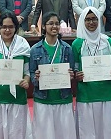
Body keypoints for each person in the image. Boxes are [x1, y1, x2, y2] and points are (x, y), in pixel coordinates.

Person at [0, 12, 32, 139]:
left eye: (11, 27)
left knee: (17, 135)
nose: (7, 30)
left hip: (17, 99)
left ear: (16, 28)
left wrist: (26, 81)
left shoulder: (23, 45)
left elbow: (27, 72)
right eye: (4, 27)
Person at [29, 11, 76, 139]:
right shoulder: (35, 49)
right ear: (44, 26)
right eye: (51, 23)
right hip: (43, 100)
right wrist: (36, 78)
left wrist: (71, 75)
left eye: (57, 23)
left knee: (65, 135)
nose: (54, 26)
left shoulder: (67, 49)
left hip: (63, 98)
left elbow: (72, 71)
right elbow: (31, 73)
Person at [72, 6, 111, 139]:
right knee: (87, 133)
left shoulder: (107, 41)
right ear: (82, 21)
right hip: (86, 95)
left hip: (106, 93)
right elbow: (75, 68)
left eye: (94, 19)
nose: (91, 22)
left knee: (107, 132)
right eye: (87, 20)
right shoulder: (77, 43)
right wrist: (77, 75)